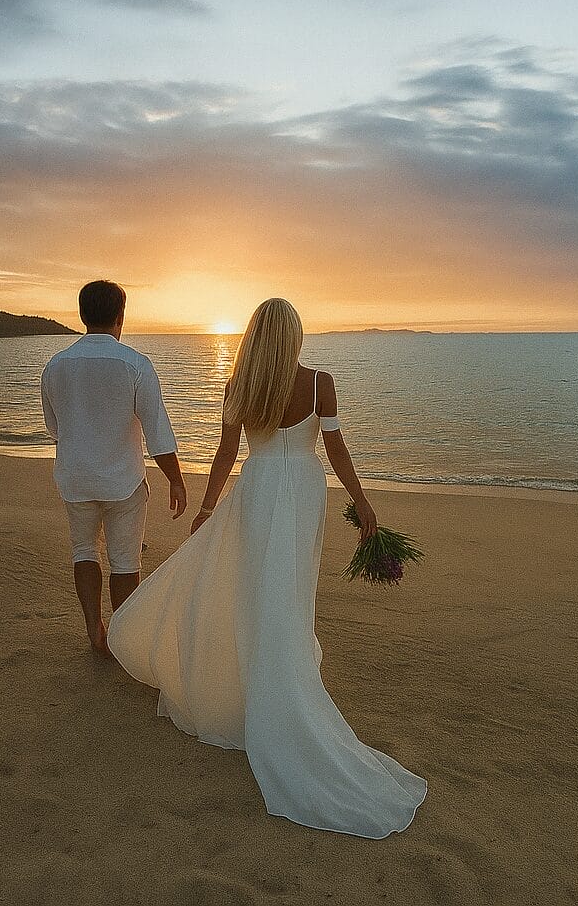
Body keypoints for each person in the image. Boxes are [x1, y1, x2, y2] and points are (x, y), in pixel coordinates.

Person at [107, 297, 426, 837]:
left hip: (257, 492)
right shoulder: (321, 382)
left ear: (255, 336)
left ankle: (262, 678)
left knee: (258, 590)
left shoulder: (240, 386)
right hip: (302, 490)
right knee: (291, 591)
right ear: (295, 335)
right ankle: (285, 677)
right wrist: (362, 501)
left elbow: (227, 453)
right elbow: (336, 450)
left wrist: (208, 508)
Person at [40, 280, 187, 657]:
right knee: (125, 562)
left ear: (82, 315)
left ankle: (94, 627)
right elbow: (157, 430)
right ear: (121, 315)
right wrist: (176, 480)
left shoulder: (55, 366)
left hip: (75, 478)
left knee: (83, 550)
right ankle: (122, 634)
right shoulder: (135, 364)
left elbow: (55, 429)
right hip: (123, 480)